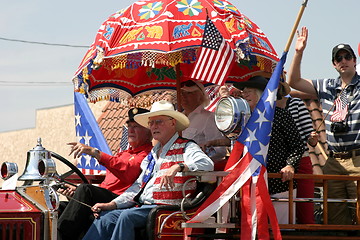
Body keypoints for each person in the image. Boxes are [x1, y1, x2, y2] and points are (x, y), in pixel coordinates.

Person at [82, 100, 214, 240]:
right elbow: (137, 187)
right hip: (144, 207)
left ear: (173, 123)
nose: (153, 126)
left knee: (127, 217)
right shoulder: (151, 156)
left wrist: (179, 166)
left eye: (159, 122)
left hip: (167, 209)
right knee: (106, 218)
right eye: (151, 123)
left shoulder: (187, 146)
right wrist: (111, 204)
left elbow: (207, 164)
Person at [288, 26, 360, 225]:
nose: (343, 61)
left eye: (347, 57)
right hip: (333, 160)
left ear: (355, 60)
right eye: (339, 58)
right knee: (335, 219)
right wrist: (298, 52)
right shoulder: (327, 86)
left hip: (358, 159)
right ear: (334, 64)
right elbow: (293, 81)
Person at [57, 108, 153, 240]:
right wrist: (77, 192)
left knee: (86, 190)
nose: (130, 130)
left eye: (136, 126)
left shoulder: (148, 155)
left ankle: (59, 237)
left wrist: (95, 152)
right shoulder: (124, 154)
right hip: (107, 196)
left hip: (123, 200)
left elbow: (128, 172)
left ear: (149, 133)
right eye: (129, 126)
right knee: (61, 207)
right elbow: (107, 184)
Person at [233, 76, 304, 224]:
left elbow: (297, 145)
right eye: (243, 92)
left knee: (282, 228)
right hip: (250, 183)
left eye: (249, 91)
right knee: (252, 229)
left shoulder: (281, 115)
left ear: (261, 94)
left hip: (279, 182)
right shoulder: (242, 120)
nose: (244, 95)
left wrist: (290, 165)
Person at [277, 94, 315, 224]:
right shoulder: (263, 107)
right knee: (281, 209)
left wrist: (312, 139)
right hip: (276, 164)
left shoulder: (296, 103)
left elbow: (309, 133)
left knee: (305, 208)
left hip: (301, 160)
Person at [180, 80, 227, 166]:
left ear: (200, 96)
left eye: (189, 93)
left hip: (197, 173)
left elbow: (220, 151)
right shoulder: (176, 119)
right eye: (181, 93)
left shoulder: (209, 118)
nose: (183, 96)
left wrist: (200, 156)